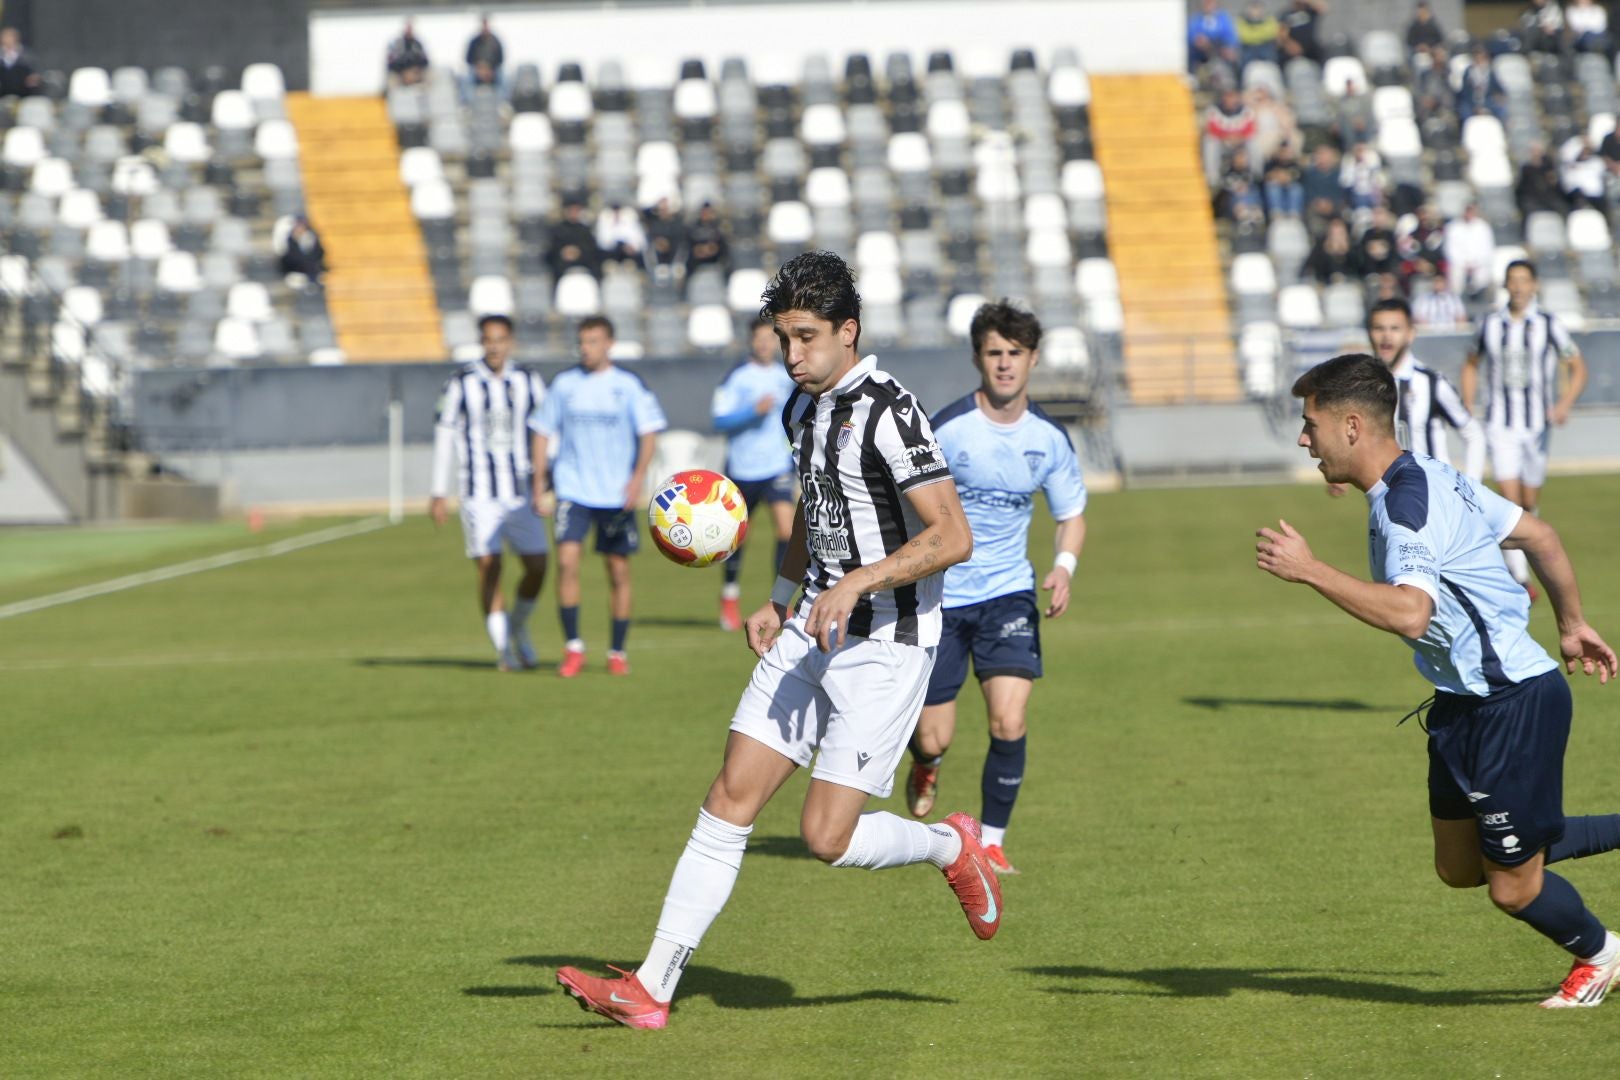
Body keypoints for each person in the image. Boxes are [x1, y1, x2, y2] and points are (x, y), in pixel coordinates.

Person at [555, 250, 995, 1030]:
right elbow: (816, 518)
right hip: (807, 628)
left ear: (847, 331)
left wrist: (860, 582)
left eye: (805, 337)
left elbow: (952, 535)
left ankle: (947, 849)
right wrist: (781, 596)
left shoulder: (892, 412)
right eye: (782, 337)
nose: (791, 356)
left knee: (824, 838)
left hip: (885, 644)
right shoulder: (801, 409)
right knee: (729, 798)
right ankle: (652, 988)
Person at [1258, 352, 1620, 1009]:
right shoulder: (1427, 472)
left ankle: (1601, 955)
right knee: (1460, 867)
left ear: (1349, 426)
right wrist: (1570, 624)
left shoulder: (1407, 505)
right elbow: (1538, 534)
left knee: (1512, 885)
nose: (1303, 438)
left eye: (1309, 424)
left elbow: (1410, 611)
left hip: (1512, 701)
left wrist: (1311, 570)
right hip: (1460, 706)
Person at [903, 301, 1087, 876]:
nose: (1005, 364)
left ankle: (991, 840)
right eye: (994, 353)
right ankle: (926, 763)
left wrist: (1062, 566)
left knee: (1008, 720)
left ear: (1033, 359)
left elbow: (1071, 513)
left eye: (1015, 354)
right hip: (941, 598)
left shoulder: (1049, 439)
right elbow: (913, 507)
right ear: (978, 358)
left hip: (1008, 594)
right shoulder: (948, 428)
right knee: (934, 735)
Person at [529, 316, 666, 677]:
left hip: (615, 494)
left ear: (609, 343)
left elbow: (649, 434)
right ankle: (573, 647)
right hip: (573, 491)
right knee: (567, 563)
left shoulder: (628, 386)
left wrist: (637, 480)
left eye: (593, 341)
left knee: (618, 571)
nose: (585, 348)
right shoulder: (564, 385)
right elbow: (542, 432)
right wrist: (539, 480)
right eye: (582, 341)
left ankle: (617, 651)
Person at [1461, 260, 1589, 592]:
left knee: (1529, 501)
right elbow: (1471, 363)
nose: (1517, 286)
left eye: (1523, 280)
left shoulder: (1548, 324)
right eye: (1512, 280)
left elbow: (1577, 365)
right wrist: (1467, 405)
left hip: (1536, 427)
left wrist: (1563, 403)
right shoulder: (1490, 324)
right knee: (1510, 496)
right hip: (1499, 423)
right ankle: (1520, 577)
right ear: (1505, 285)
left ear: (1534, 285)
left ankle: (1518, 560)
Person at [429, 315, 549, 670]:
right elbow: (444, 435)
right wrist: (438, 491)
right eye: (488, 339)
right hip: (478, 491)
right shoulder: (461, 383)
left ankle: (518, 628)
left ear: (510, 341)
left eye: (500, 339)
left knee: (538, 567)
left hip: (522, 491)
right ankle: (503, 649)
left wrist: (549, 478)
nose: (494, 346)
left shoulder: (528, 380)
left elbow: (547, 429)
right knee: (489, 564)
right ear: (481, 342)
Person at [710, 318, 797, 632]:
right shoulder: (737, 377)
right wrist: (752, 412)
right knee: (737, 537)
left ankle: (780, 602)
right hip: (742, 469)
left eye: (768, 339)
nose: (764, 344)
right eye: (759, 339)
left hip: (776, 466)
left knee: (787, 532)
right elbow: (719, 421)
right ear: (750, 341)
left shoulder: (786, 376)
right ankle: (730, 596)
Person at [1443, 203, 1496, 303]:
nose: (1469, 213)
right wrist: (1464, 264)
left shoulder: (1483, 227)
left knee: (1483, 276)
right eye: (1467, 210)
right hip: (1459, 264)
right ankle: (1456, 302)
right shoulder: (1453, 227)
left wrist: (1475, 263)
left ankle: (1479, 300)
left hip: (1479, 264)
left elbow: (1487, 249)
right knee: (1455, 275)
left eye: (1471, 210)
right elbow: (1450, 249)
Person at [546, 200, 605, 281]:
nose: (574, 213)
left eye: (576, 210)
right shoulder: (558, 229)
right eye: (571, 210)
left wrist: (578, 252)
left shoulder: (585, 230)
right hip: (562, 262)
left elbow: (592, 248)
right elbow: (552, 249)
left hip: (583, 260)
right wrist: (564, 252)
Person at [1188, 0, 1240, 77]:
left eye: (1211, 2)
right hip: (1201, 53)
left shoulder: (1224, 18)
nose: (1209, 5)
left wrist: (1229, 47)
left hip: (1221, 50)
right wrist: (1199, 41)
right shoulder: (1196, 19)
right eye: (1206, 3)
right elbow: (1191, 36)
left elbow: (1231, 36)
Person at [277, 216, 326, 284]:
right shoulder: (289, 241)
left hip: (312, 274)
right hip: (295, 275)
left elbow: (319, 254)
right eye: (298, 227)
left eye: (302, 226)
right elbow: (287, 259)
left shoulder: (311, 239)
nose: (300, 229)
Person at [386, 20, 430, 86]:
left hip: (415, 72)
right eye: (407, 28)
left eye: (410, 28)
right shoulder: (396, 44)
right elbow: (391, 62)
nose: (409, 30)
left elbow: (425, 60)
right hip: (400, 73)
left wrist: (415, 70)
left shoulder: (417, 44)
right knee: (391, 80)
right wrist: (403, 72)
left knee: (429, 76)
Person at [0, 27, 41, 98]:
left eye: (10, 36)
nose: (8, 39)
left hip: (23, 91)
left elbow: (34, 70)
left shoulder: (26, 54)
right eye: (5, 36)